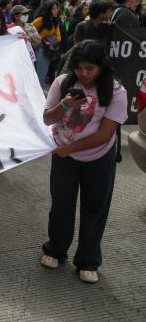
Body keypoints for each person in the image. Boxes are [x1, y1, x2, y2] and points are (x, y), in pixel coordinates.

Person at [40, 41, 127, 284]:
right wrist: (66, 104)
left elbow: (105, 134)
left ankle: (88, 260)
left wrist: (70, 149)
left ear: (102, 67)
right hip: (64, 156)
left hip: (99, 157)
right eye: (79, 68)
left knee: (94, 208)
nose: (84, 74)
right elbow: (47, 119)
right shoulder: (63, 83)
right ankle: (55, 248)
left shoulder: (116, 91)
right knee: (61, 204)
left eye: (90, 68)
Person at [32, 0, 62, 87]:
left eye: (57, 8)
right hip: (40, 50)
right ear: (48, 10)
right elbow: (28, 30)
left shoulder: (55, 21)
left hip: (49, 51)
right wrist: (40, 38)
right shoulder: (40, 20)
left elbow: (59, 38)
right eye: (54, 9)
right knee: (40, 74)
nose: (57, 10)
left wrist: (46, 38)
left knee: (43, 74)